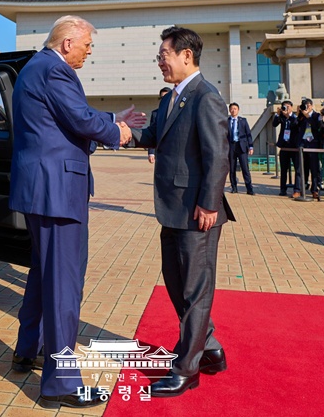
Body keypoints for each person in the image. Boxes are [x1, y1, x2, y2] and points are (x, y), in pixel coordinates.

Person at [9, 15, 144, 408]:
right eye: (87, 45)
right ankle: (60, 384)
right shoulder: (55, 70)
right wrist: (117, 131)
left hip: (41, 190)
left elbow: (65, 121)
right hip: (57, 191)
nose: (89, 51)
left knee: (42, 273)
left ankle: (26, 349)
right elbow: (80, 119)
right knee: (64, 284)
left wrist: (110, 121)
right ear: (68, 42)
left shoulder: (35, 68)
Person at [130, 26, 233, 398]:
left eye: (164, 54)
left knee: (195, 288)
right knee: (176, 281)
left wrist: (209, 202)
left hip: (197, 211)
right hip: (172, 208)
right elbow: (152, 135)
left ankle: (186, 368)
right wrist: (120, 130)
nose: (160, 61)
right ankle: (209, 349)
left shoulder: (206, 96)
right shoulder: (171, 98)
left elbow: (218, 156)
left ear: (186, 55)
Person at [293, 98, 323, 201]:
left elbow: (317, 127)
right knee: (299, 169)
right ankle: (297, 189)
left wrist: (308, 116)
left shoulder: (317, 115)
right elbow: (294, 126)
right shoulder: (301, 117)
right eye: (303, 106)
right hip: (302, 144)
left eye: (306, 105)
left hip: (313, 145)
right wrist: (298, 115)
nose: (305, 108)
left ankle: (314, 190)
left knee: (314, 169)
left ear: (310, 106)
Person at [227, 102, 255, 195]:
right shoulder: (226, 121)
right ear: (229, 110)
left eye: (235, 108)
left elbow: (248, 135)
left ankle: (249, 188)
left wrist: (251, 146)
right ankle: (234, 187)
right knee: (232, 169)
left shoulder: (243, 120)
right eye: (231, 108)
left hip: (242, 147)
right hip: (231, 147)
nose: (233, 110)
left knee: (245, 168)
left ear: (238, 110)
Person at [272, 100, 298, 196]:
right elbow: (274, 124)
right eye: (283, 107)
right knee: (283, 169)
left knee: (297, 168)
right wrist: (278, 114)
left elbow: (295, 124)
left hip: (293, 146)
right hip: (284, 146)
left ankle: (297, 188)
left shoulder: (294, 117)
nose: (285, 108)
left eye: (287, 107)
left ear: (291, 107)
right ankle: (283, 189)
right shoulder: (281, 117)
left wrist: (288, 116)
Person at [148, 87, 173, 164]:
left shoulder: (180, 111)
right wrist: (151, 152)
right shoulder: (155, 114)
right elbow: (152, 133)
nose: (164, 99)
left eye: (166, 97)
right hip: (161, 152)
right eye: (162, 97)